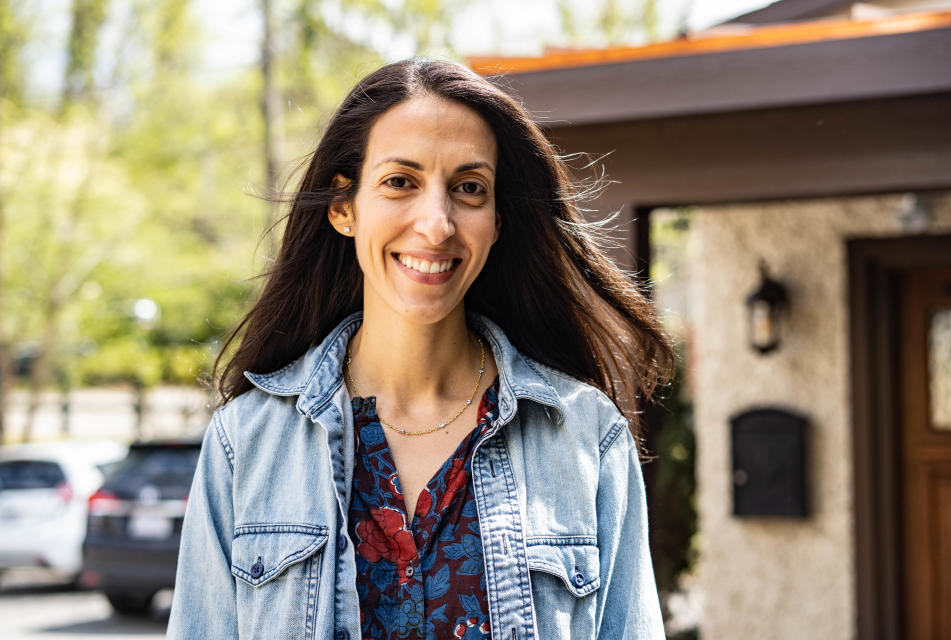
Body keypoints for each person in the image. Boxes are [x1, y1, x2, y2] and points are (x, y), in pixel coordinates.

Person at [167, 58, 673, 640]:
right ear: (344, 208)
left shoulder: (585, 436)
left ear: (497, 221)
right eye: (400, 181)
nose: (437, 223)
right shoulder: (247, 442)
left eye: (469, 188)